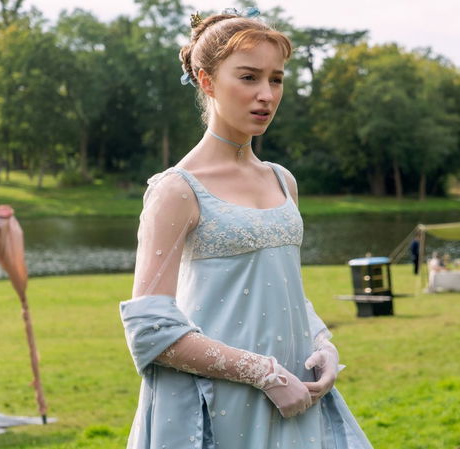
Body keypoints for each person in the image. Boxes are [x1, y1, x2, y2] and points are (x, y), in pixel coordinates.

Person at [118, 8, 373, 449]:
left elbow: (286, 291)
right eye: (249, 77)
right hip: (219, 405)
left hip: (298, 397)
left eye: (276, 79)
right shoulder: (177, 190)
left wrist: (323, 345)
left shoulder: (282, 180)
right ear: (207, 81)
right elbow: (151, 330)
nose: (266, 95)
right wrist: (264, 374)